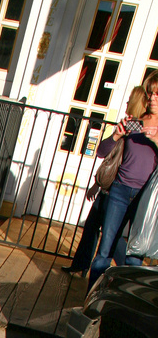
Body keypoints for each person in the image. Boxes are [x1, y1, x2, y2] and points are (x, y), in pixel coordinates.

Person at [65, 86, 147, 275]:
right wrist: (98, 183)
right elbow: (107, 155)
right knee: (94, 226)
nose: (126, 103)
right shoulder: (126, 126)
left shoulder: (145, 131)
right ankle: (81, 265)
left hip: (118, 189)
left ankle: (127, 271)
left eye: (129, 100)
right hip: (111, 187)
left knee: (111, 235)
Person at [88, 73, 158, 286]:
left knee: (134, 255)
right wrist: (117, 135)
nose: (153, 98)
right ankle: (91, 298)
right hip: (119, 190)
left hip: (145, 197)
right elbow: (102, 151)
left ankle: (126, 298)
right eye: (150, 93)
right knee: (104, 250)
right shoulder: (136, 120)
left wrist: (155, 139)